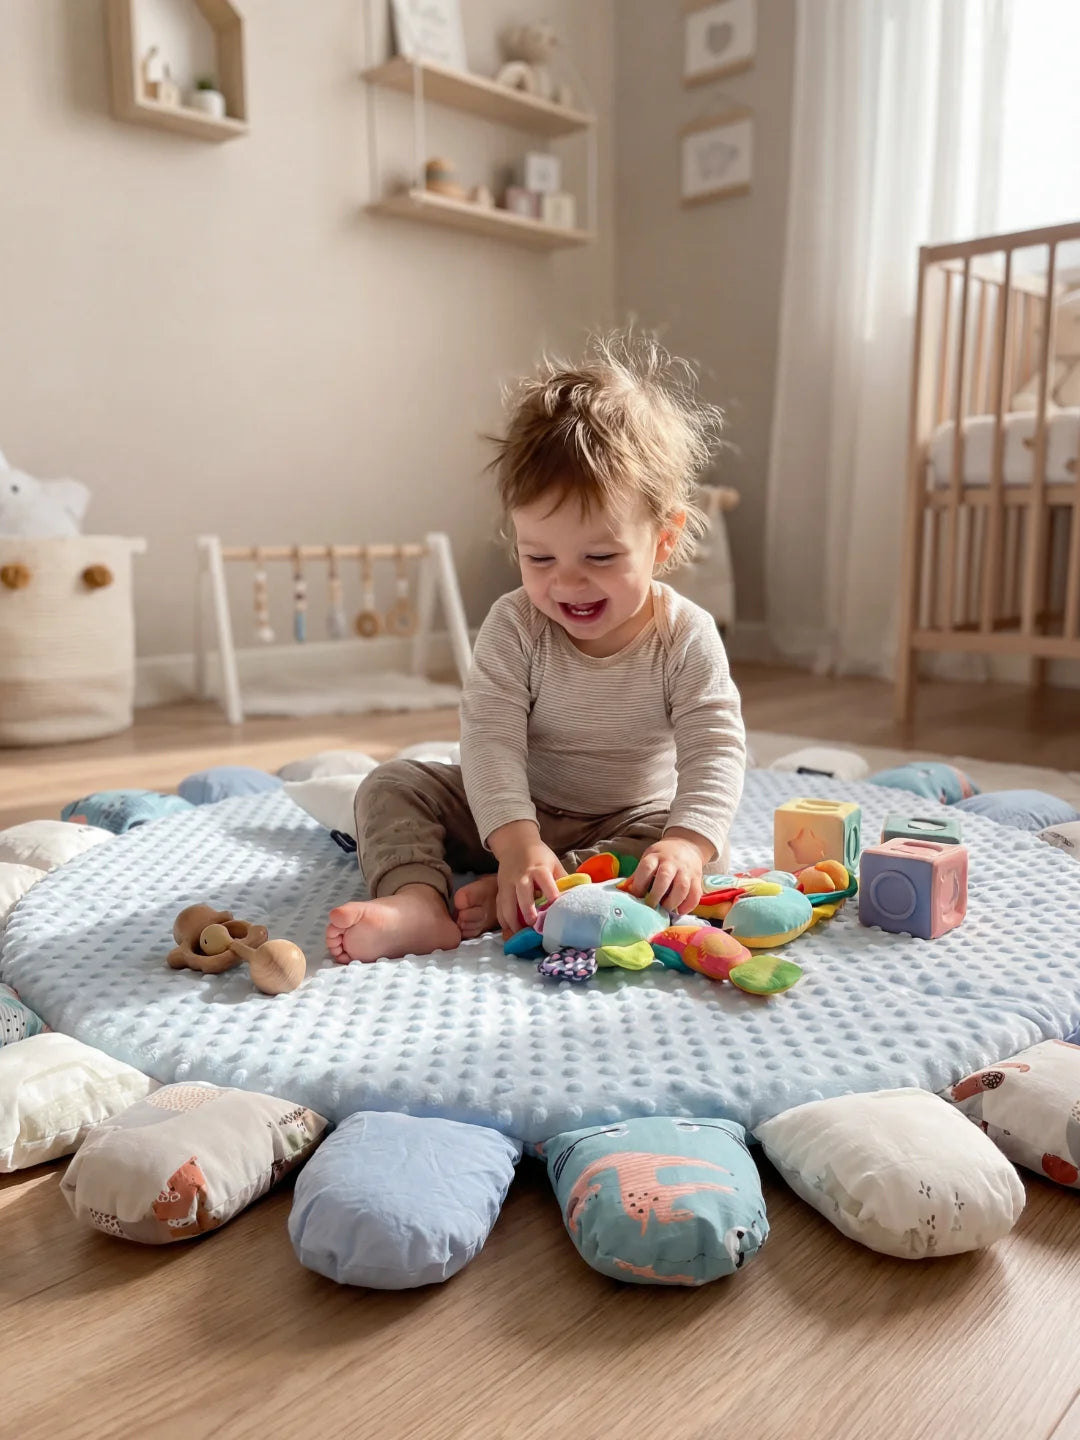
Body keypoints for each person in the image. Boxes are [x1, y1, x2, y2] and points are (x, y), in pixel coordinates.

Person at [326, 334, 746, 964]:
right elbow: (490, 741)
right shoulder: (514, 624)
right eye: (538, 556)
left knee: (679, 855)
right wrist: (517, 841)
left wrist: (687, 843)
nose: (566, 582)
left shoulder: (685, 634)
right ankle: (416, 900)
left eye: (599, 558)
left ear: (663, 541)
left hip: (624, 819)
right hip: (508, 806)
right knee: (390, 783)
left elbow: (716, 746)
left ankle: (549, 889)